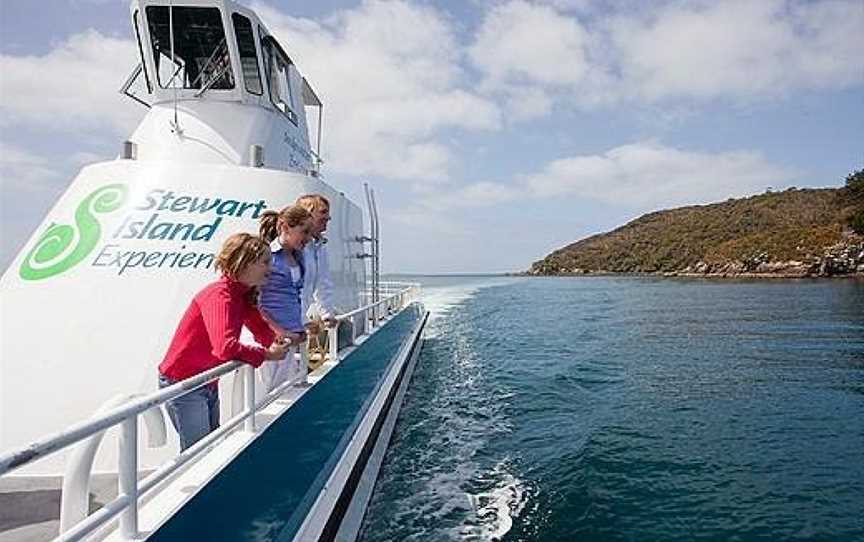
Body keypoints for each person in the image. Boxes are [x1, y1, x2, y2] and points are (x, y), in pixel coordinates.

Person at [158, 233, 289, 451]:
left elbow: (258, 326)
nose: (271, 268)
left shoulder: (241, 295)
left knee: (210, 445)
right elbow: (224, 347)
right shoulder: (220, 295)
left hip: (205, 380)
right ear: (244, 262)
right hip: (183, 383)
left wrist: (276, 342)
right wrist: (267, 354)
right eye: (265, 262)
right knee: (198, 451)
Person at [258, 205, 312, 385]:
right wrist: (278, 331)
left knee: (283, 394)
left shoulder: (299, 257)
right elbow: (254, 303)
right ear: (284, 227)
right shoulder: (268, 256)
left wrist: (299, 327)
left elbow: (294, 296)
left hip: (290, 338)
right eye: (304, 232)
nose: (308, 238)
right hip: (270, 338)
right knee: (262, 398)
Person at [296, 194, 337, 333]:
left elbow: (323, 283)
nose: (328, 217)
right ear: (306, 215)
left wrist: (326, 314)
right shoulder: (291, 248)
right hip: (282, 326)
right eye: (322, 212)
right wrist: (301, 322)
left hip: (295, 324)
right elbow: (286, 291)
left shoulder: (319, 246)